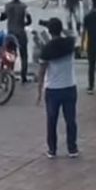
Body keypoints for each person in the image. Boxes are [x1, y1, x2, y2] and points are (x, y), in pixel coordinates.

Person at [35, 17, 79, 158]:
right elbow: (71, 33)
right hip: (70, 86)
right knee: (70, 120)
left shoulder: (47, 49)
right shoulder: (70, 43)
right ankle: (72, 148)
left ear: (49, 31)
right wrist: (60, 28)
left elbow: (41, 72)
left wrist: (39, 92)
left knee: (52, 121)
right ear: (60, 29)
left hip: (53, 89)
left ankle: (52, 150)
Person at [0, 0, 32, 83]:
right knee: (24, 55)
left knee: (10, 54)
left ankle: (10, 74)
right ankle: (23, 77)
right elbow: (29, 21)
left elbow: (2, 18)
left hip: (10, 34)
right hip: (21, 33)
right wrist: (23, 24)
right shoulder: (24, 6)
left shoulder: (7, 6)